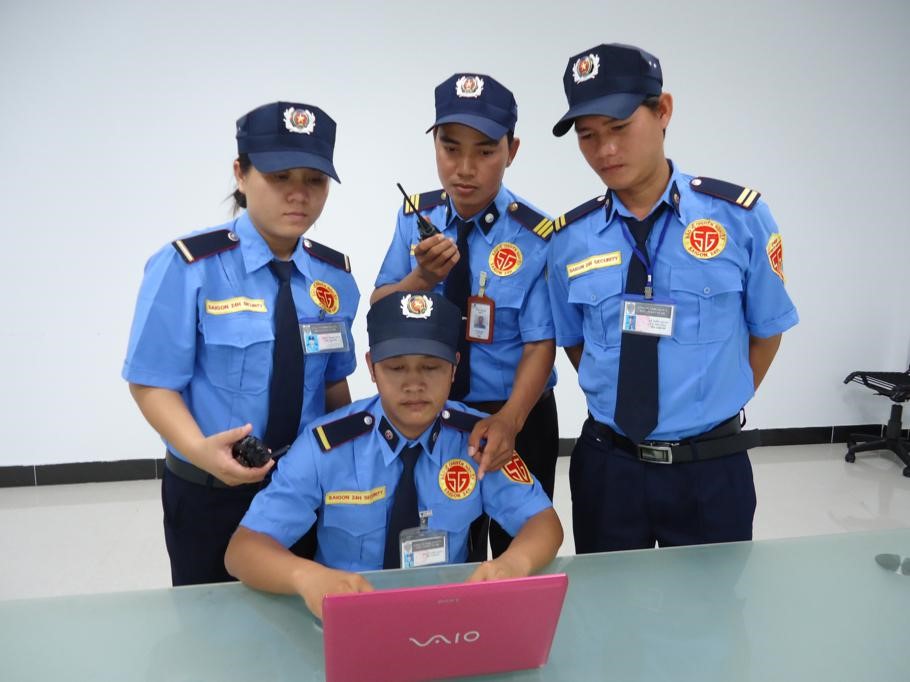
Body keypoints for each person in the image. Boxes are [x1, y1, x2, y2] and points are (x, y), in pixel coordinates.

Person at [547, 43, 799, 552]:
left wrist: (711, 405)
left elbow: (766, 330)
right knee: (611, 599)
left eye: (619, 128)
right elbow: (576, 344)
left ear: (663, 111)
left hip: (710, 468)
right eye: (588, 136)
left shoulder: (740, 219)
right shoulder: (569, 239)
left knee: (710, 602)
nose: (605, 150)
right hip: (609, 469)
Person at [123, 101, 360, 585]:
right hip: (211, 491)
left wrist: (350, 465)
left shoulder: (333, 277)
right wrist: (200, 450)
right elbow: (151, 383)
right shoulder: (189, 267)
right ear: (241, 174)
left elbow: (333, 386)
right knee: (211, 621)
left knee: (298, 614)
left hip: (303, 489)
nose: (299, 194)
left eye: (315, 180)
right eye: (279, 176)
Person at [224, 292, 563, 618]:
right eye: (397, 368)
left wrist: (513, 564)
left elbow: (544, 523)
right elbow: (243, 549)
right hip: (350, 616)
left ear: (454, 369)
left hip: (448, 615)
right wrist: (305, 577)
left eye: (431, 367)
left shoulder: (477, 440)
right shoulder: (326, 446)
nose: (414, 384)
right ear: (372, 368)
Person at [371, 73, 558, 559]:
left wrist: (511, 421)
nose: (465, 169)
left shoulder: (535, 235)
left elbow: (540, 342)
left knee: (520, 550)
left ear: (512, 150)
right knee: (447, 547)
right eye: (450, 149)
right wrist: (421, 279)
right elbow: (380, 307)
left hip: (517, 411)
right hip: (438, 412)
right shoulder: (414, 219)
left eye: (485, 151)